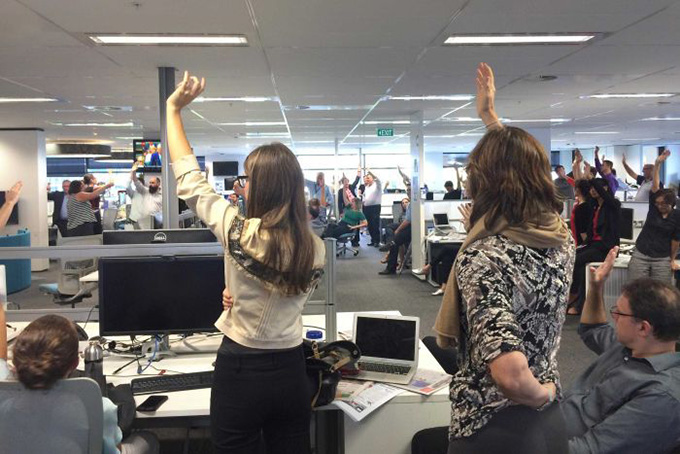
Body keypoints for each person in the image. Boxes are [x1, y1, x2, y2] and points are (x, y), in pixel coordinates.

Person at [166, 71, 326, 454]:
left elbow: (189, 179)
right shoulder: (315, 247)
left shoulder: (241, 232)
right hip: (291, 368)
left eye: (248, 179)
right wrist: (236, 291)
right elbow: (281, 291)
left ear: (265, 186)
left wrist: (173, 110)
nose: (243, 186)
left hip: (241, 366)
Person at [435, 63, 574, 454]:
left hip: (495, 426)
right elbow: (521, 173)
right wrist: (491, 120)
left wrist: (539, 394)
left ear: (484, 183)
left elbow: (511, 376)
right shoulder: (560, 239)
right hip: (548, 424)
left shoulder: (484, 257)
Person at [561, 247, 680, 454]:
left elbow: (588, 451)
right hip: (555, 418)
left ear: (643, 328)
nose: (613, 317)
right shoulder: (630, 346)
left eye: (618, 313)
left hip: (561, 441)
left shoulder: (662, 395)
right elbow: (592, 328)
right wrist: (596, 287)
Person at [0, 305, 159, 454]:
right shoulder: (99, 408)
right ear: (76, 363)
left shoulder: (5, 408)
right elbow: (110, 450)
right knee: (148, 440)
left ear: (16, 363)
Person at [568, 177, 621, 315]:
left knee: (578, 260)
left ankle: (575, 297)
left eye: (595, 188)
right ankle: (577, 299)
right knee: (573, 258)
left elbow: (606, 197)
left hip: (605, 247)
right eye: (591, 188)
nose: (592, 190)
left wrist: (593, 178)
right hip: (593, 245)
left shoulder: (613, 205)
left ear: (604, 189)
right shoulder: (594, 206)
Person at [628, 150, 680, 282]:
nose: (659, 206)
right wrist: (657, 164)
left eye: (663, 204)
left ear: (672, 204)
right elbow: (655, 185)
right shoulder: (654, 209)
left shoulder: (677, 216)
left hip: (662, 257)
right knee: (635, 287)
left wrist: (672, 260)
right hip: (641, 252)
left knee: (661, 290)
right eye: (658, 203)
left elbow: (676, 240)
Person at [378, 198, 411, 275]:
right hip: (405, 227)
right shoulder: (405, 211)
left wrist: (398, 230)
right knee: (389, 227)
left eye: (406, 202)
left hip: (410, 228)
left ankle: (391, 268)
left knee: (395, 242)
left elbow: (408, 221)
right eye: (403, 203)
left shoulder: (413, 204)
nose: (404, 204)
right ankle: (390, 242)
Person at [130, 163, 163, 229]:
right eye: (150, 183)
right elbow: (136, 182)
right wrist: (133, 171)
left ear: (158, 184)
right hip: (145, 221)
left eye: (153, 183)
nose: (150, 184)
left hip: (158, 223)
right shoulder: (145, 191)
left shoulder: (163, 195)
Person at [362, 170, 382, 247]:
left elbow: (378, 180)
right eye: (366, 178)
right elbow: (365, 197)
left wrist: (372, 173)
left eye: (369, 178)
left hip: (375, 207)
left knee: (375, 224)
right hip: (367, 208)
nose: (367, 179)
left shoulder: (377, 186)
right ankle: (373, 240)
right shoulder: (367, 187)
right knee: (369, 225)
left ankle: (377, 241)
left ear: (373, 178)